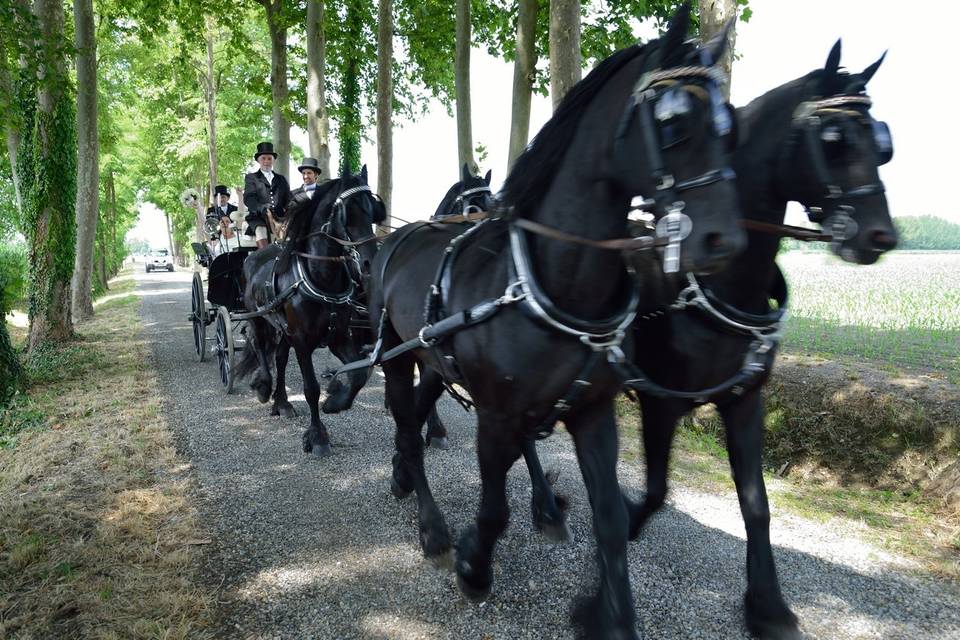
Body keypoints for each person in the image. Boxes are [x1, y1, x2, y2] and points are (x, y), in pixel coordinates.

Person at [243, 142, 290, 249]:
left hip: (279, 218)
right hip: (259, 217)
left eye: (269, 158)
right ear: (259, 160)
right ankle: (266, 259)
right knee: (260, 230)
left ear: (273, 160)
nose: (266, 161)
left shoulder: (281, 179)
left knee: (291, 234)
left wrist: (289, 214)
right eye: (263, 158)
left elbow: (288, 199)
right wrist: (261, 208)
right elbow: (249, 199)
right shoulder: (252, 178)